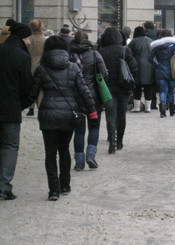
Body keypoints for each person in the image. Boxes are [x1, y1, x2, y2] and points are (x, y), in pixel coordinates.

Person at [31, 36, 97, 201]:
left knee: (50, 153)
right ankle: (65, 185)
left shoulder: (42, 69)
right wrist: (92, 111)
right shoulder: (73, 67)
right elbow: (84, 91)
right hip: (69, 114)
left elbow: (32, 94)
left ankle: (53, 190)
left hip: (48, 115)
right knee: (64, 150)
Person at [0, 23, 33, 200]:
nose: (29, 42)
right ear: (22, 38)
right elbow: (27, 86)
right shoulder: (22, 57)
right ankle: (3, 185)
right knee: (10, 146)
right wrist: (21, 104)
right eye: (28, 39)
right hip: (11, 109)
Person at [69, 30, 108, 171]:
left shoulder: (70, 55)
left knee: (79, 131)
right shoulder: (94, 54)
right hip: (93, 97)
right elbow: (104, 73)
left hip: (76, 96)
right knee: (94, 127)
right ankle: (91, 155)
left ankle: (79, 162)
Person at [99, 26, 138, 153]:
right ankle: (120, 141)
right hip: (124, 88)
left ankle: (112, 142)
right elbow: (134, 68)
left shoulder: (102, 51)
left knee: (110, 115)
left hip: (108, 87)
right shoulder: (124, 50)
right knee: (121, 115)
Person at [148, 29, 175, 118]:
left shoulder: (157, 47)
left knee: (163, 91)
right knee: (171, 91)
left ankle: (162, 111)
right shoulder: (173, 46)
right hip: (172, 70)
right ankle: (172, 110)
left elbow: (149, 59)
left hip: (161, 70)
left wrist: (157, 65)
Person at [128, 26, 154, 113]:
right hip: (149, 66)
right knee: (148, 87)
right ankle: (148, 107)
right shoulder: (150, 40)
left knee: (137, 87)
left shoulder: (134, 41)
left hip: (137, 66)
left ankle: (137, 107)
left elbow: (128, 53)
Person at [26, 19, 46, 117]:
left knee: (31, 86)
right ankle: (40, 105)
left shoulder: (29, 38)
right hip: (41, 62)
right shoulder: (44, 39)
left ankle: (31, 107)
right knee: (41, 87)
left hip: (30, 62)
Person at [143, 21, 158, 110]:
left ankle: (147, 103)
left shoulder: (145, 35)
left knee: (147, 83)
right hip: (155, 59)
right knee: (153, 83)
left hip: (146, 59)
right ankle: (153, 103)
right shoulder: (156, 34)